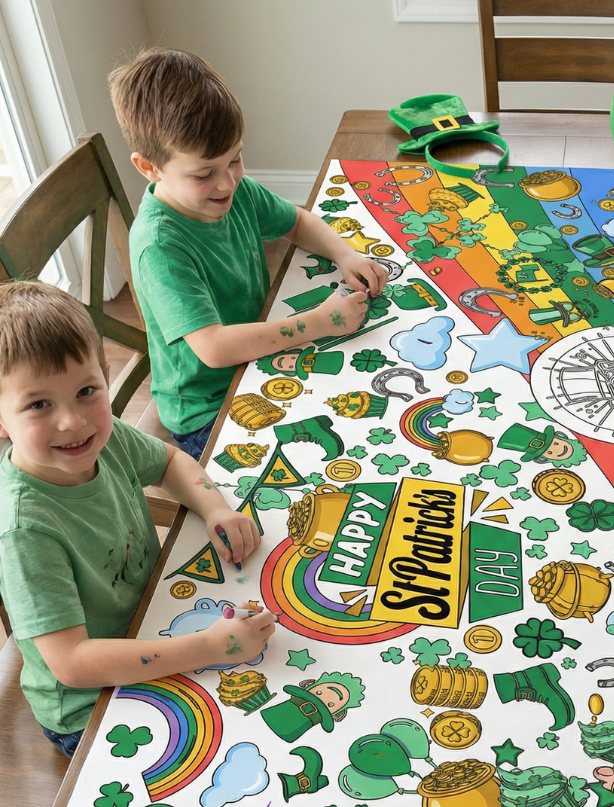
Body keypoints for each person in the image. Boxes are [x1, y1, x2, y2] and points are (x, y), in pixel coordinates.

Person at [0, 281, 276, 757]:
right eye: (39, 404)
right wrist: (209, 649)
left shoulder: (105, 438)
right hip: (90, 704)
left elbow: (171, 463)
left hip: (156, 613)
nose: (73, 421)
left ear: (104, 377)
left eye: (87, 390)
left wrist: (215, 508)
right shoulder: (24, 530)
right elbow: (73, 664)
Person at [108, 48, 388, 460]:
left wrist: (344, 254)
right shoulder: (160, 246)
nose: (227, 182)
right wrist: (317, 323)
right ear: (149, 168)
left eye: (235, 158)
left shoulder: (231, 190)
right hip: (209, 409)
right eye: (204, 173)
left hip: (262, 352)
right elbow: (214, 348)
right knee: (335, 454)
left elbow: (296, 222)